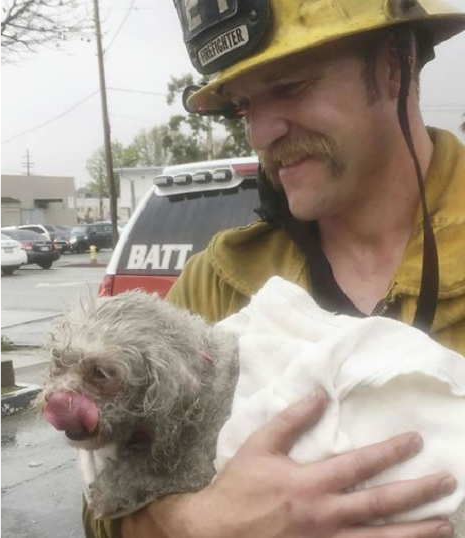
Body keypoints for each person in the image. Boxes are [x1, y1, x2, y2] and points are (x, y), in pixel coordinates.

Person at [83, 0, 465, 537]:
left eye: (289, 86)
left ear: (392, 64)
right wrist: (193, 524)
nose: (260, 134)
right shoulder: (218, 283)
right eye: (243, 107)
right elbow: (104, 505)